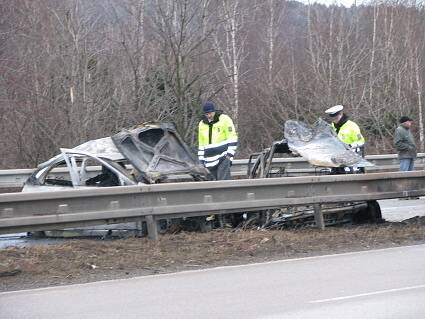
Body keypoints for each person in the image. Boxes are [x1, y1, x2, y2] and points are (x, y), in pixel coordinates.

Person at [198, 101, 238, 180]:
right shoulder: (202, 124)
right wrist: (201, 160)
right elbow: (201, 144)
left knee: (224, 186)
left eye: (210, 113)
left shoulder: (224, 119)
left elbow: (232, 137)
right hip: (208, 161)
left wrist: (229, 156)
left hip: (223, 157)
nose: (209, 115)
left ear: (214, 111)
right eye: (207, 114)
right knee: (211, 188)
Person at [325, 104, 365, 174]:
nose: (335, 121)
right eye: (333, 119)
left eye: (336, 118)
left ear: (341, 114)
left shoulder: (352, 126)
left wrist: (350, 146)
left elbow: (361, 142)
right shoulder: (331, 127)